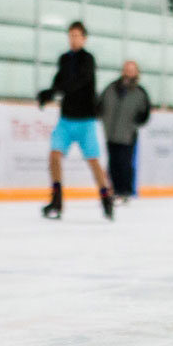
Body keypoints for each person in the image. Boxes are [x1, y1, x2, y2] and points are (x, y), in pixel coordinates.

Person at [38, 21, 113, 221]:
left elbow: (79, 82)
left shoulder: (88, 59)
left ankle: (105, 197)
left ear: (84, 38)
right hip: (66, 120)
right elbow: (59, 80)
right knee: (54, 155)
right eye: (71, 35)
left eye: (77, 36)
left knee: (93, 161)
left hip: (86, 120)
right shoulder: (64, 59)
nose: (73, 39)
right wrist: (48, 94)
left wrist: (56, 90)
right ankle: (57, 198)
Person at [97, 60, 151, 203]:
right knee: (113, 162)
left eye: (132, 70)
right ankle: (115, 190)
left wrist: (134, 124)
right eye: (127, 69)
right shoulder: (111, 88)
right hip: (111, 131)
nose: (129, 72)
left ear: (137, 72)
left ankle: (125, 190)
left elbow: (145, 113)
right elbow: (100, 104)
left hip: (128, 133)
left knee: (125, 162)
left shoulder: (140, 92)